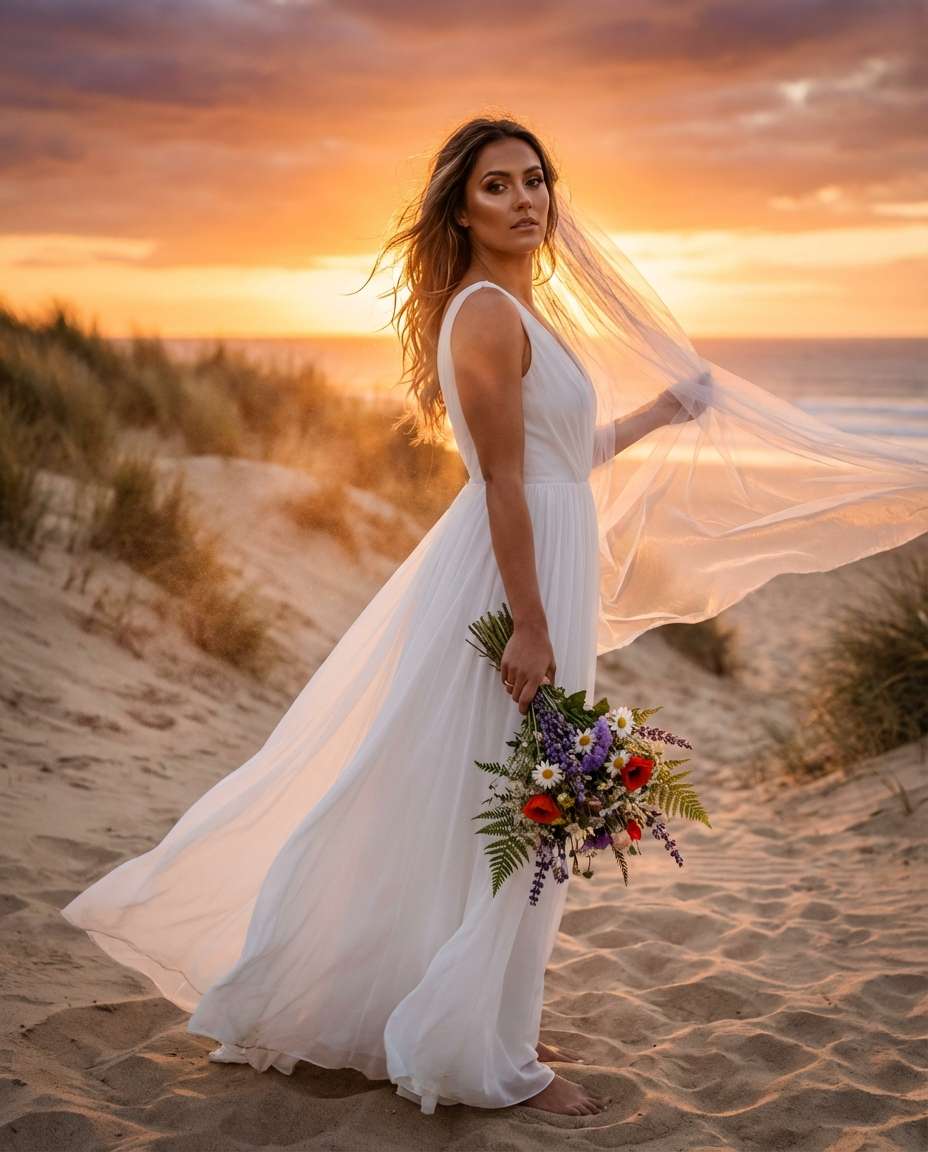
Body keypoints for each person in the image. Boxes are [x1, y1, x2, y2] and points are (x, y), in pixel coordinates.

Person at [60, 115, 928, 1120]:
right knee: (511, 801)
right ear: (460, 212)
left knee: (507, 799)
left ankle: (481, 1011)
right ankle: (477, 1042)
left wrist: (655, 417)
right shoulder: (482, 314)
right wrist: (527, 622)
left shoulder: (527, 310)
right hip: (508, 577)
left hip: (540, 563)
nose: (524, 200)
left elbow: (560, 457)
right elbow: (506, 483)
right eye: (497, 186)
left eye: (534, 181)